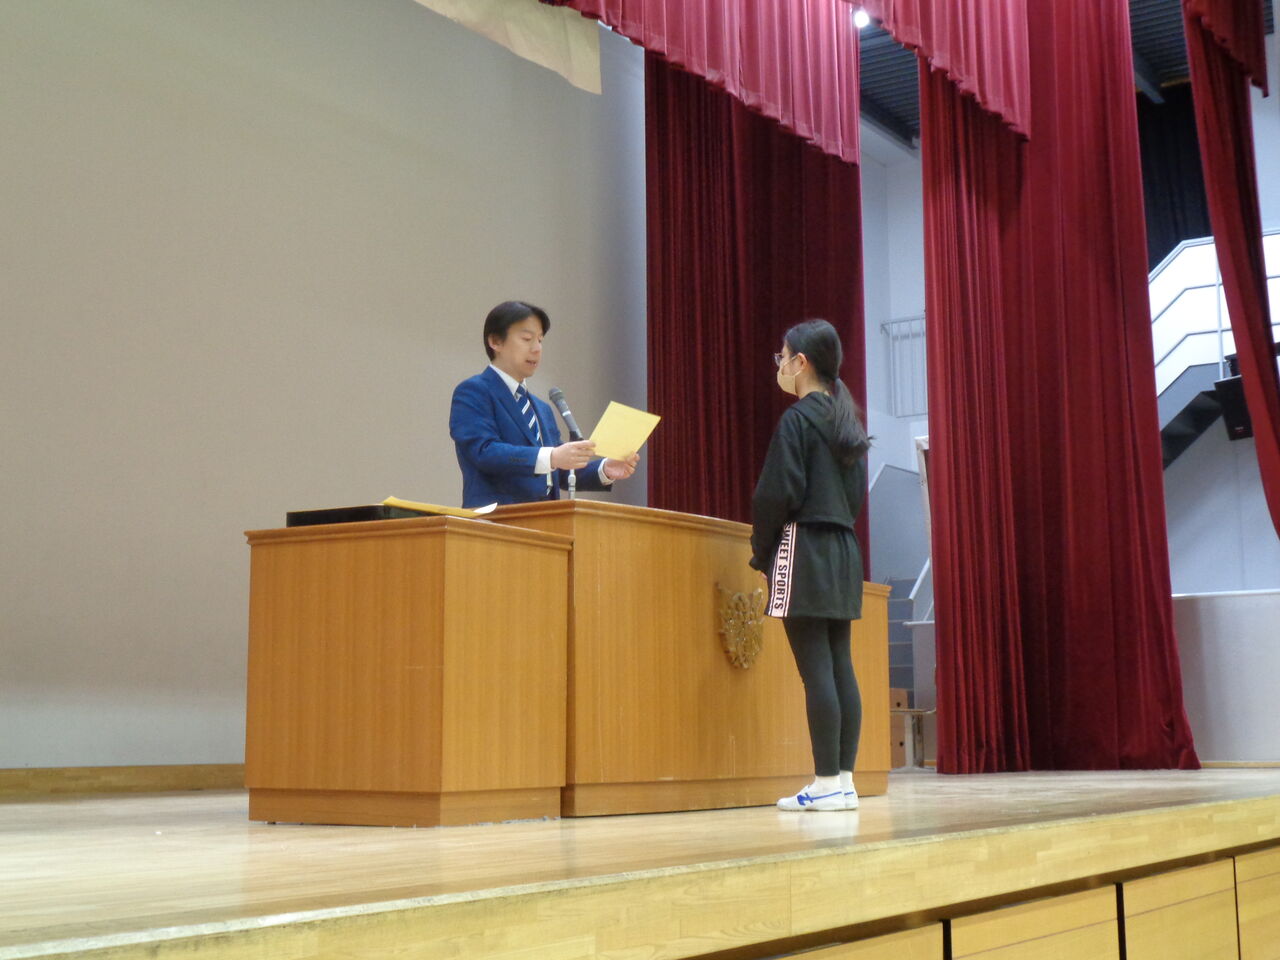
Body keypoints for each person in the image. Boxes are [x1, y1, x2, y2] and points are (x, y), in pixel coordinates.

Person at [750, 319, 870, 812]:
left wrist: (762, 551)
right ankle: (844, 781)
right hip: (843, 548)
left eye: (782, 356)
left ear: (800, 363)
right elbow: (855, 498)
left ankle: (824, 784)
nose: (779, 365)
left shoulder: (798, 420)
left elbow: (775, 494)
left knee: (816, 669)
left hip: (804, 546)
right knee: (841, 666)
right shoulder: (846, 422)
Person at [449, 300, 639, 507]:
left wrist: (605, 469)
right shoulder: (474, 391)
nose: (537, 349)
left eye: (540, 340)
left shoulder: (542, 408)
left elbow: (560, 471)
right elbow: (484, 452)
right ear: (495, 341)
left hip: (546, 519)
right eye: (527, 339)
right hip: (494, 518)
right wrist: (552, 456)